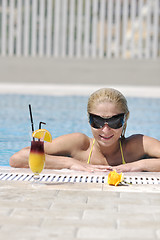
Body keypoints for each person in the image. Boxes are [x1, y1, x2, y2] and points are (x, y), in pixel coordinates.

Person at [10, 88, 160, 172]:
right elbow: (17, 158)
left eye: (114, 121)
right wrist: (69, 163)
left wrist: (137, 165)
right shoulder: (79, 144)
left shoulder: (136, 145)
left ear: (125, 118)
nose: (105, 129)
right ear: (89, 118)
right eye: (98, 121)